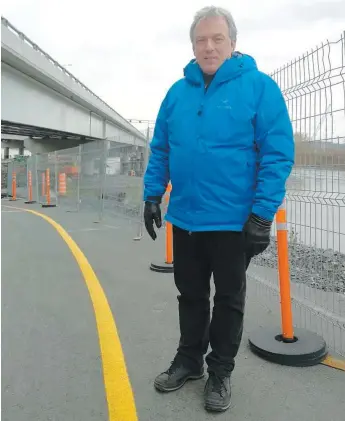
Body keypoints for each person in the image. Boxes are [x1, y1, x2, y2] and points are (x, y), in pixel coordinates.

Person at [143, 5, 294, 413]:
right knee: (189, 294)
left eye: (217, 39)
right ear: (192, 46)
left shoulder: (259, 88)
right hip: (186, 218)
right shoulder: (177, 93)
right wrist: (152, 194)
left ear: (233, 42)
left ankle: (221, 371)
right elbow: (161, 149)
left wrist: (262, 214)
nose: (208, 47)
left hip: (232, 222)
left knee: (229, 298)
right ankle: (189, 360)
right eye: (201, 40)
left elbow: (277, 154)